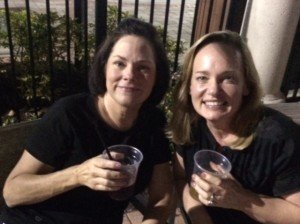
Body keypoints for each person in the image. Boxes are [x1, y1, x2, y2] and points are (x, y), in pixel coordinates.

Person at [0, 18, 173, 224]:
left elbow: (162, 196)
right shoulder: (69, 114)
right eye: (119, 63)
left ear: (157, 77)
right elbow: (12, 193)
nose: (129, 75)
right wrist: (79, 174)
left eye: (143, 67)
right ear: (104, 68)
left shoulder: (152, 124)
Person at [168, 30, 300, 224]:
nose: (213, 90)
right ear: (189, 86)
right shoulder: (191, 124)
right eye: (202, 78)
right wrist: (198, 216)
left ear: (246, 85)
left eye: (228, 78)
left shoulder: (280, 138)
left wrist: (241, 199)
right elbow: (180, 178)